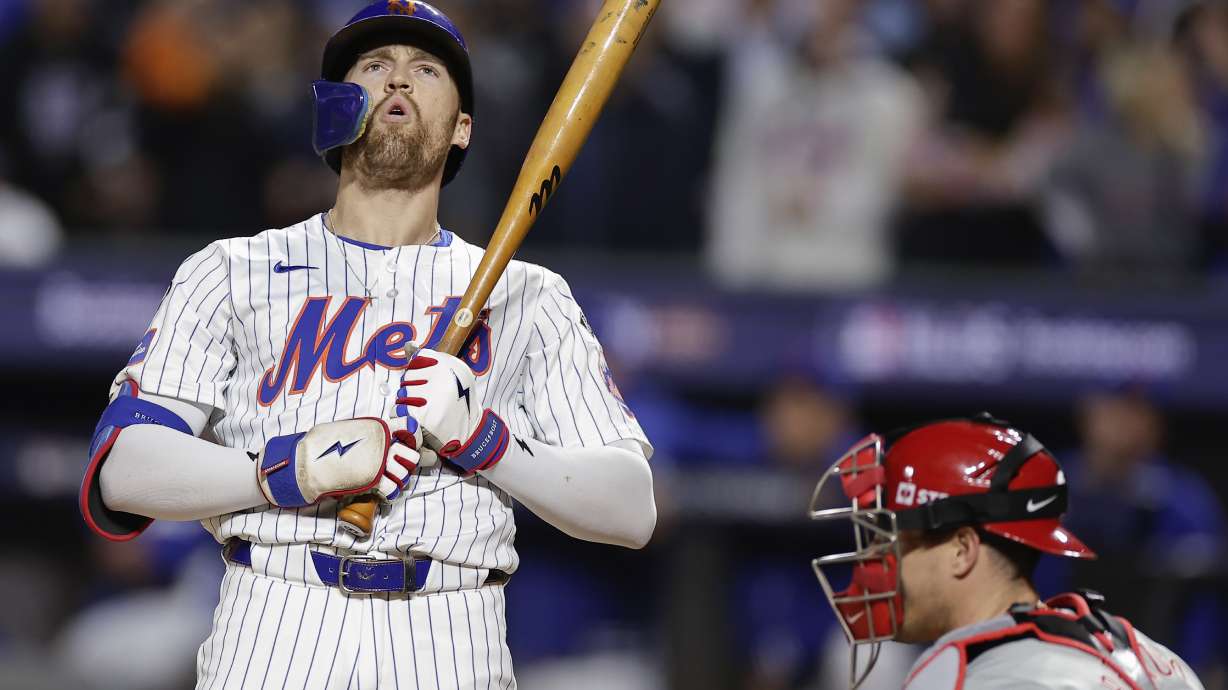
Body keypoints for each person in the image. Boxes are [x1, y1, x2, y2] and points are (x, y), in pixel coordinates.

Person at [77, 2, 656, 687]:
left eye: (427, 68)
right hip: (275, 614)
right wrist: (281, 470)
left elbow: (631, 507)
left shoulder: (529, 293)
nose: (399, 80)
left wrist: (487, 438)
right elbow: (126, 471)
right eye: (375, 66)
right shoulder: (231, 269)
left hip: (449, 627)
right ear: (335, 106)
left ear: (463, 126)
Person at [808, 413, 1204, 689]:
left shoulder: (960, 673)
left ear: (962, 550)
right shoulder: (1156, 658)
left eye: (891, 541)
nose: (872, 561)